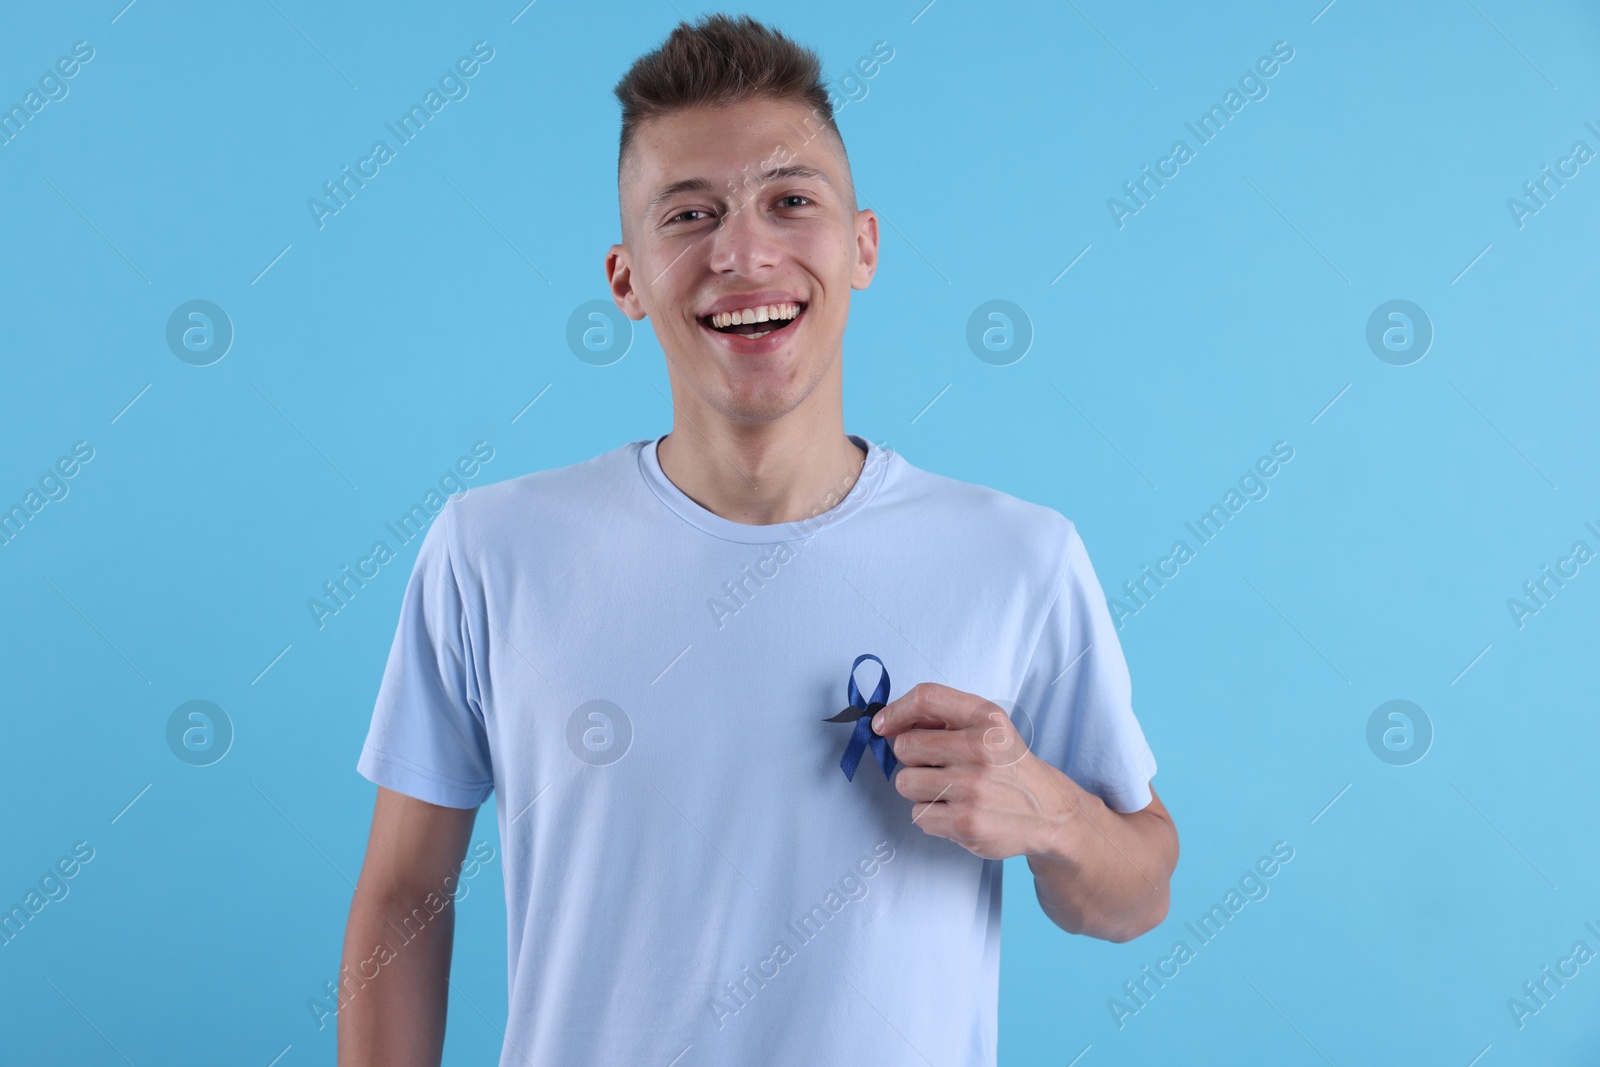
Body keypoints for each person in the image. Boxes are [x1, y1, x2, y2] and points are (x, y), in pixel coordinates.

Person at [339, 13, 1177, 1066]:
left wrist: (1051, 811)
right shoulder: (491, 551)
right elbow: (405, 890)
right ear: (626, 279)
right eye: (688, 213)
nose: (743, 251)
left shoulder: (1020, 556)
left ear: (861, 244)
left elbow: (1137, 892)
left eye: (791, 200)